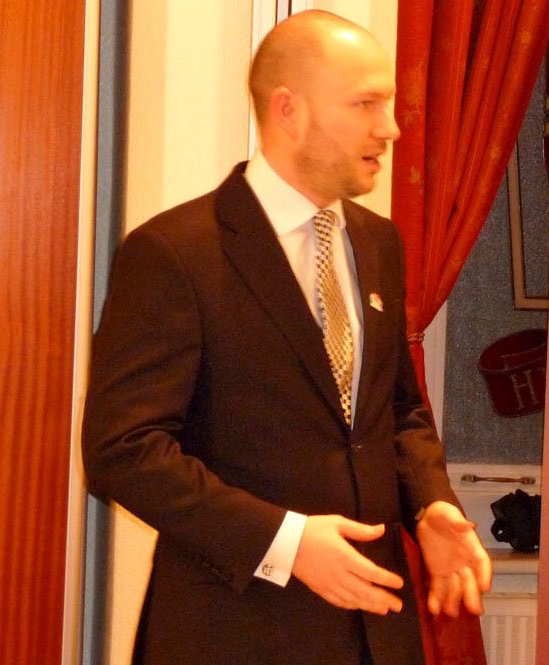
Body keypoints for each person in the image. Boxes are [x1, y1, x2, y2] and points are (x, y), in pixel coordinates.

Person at [82, 10, 491, 665]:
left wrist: (431, 505)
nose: (390, 127)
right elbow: (122, 451)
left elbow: (397, 411)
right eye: (365, 104)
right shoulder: (176, 253)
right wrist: (285, 541)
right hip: (233, 634)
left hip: (376, 631)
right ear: (288, 110)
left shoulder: (378, 243)